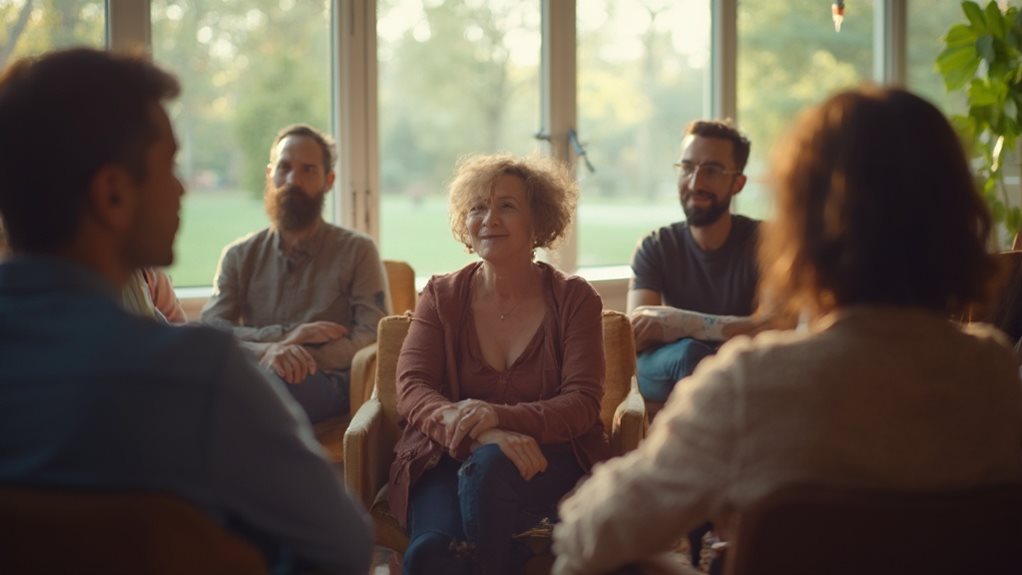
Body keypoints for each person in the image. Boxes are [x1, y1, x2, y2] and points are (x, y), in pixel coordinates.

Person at [551, 87, 1022, 574]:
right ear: (958, 218)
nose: (696, 179)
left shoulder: (752, 384)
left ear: (801, 224)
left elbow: (587, 538)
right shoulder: (993, 373)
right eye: (688, 167)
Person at [0, 48, 372, 574]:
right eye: (169, 165)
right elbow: (344, 549)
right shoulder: (196, 376)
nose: (181, 188)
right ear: (112, 194)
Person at [390, 154, 612, 574]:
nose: (489, 218)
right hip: (447, 456)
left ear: (538, 221)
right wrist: (485, 433)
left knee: (490, 469)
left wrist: (498, 414)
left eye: (507, 205)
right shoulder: (441, 295)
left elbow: (583, 403)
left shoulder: (575, 299)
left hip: (548, 462)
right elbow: (412, 389)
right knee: (428, 555)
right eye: (477, 207)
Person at [201, 124, 388, 424]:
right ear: (269, 175)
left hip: (324, 382)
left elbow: (372, 336)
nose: (293, 180)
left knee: (260, 390)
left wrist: (294, 357)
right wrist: (274, 345)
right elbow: (211, 330)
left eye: (308, 170)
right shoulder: (238, 255)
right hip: (258, 373)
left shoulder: (358, 251)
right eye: (284, 168)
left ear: (329, 181)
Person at [628, 120, 762, 408]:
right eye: (687, 168)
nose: (695, 183)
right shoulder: (655, 246)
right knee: (690, 354)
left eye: (711, 171)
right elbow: (635, 338)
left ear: (737, 183)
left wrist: (682, 323)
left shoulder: (767, 243)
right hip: (672, 364)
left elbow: (777, 325)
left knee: (723, 360)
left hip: (743, 365)